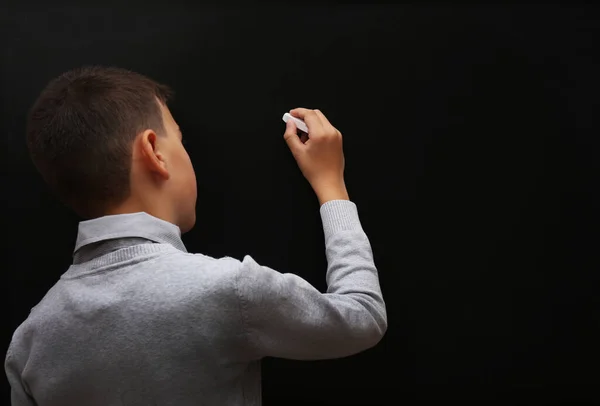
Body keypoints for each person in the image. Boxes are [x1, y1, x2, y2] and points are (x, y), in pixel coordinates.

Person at [5, 66, 387, 406]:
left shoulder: (28, 344)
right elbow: (363, 317)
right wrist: (331, 185)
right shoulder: (226, 289)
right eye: (180, 139)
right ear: (154, 151)